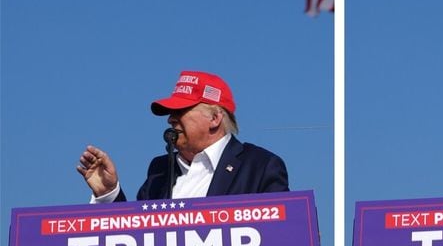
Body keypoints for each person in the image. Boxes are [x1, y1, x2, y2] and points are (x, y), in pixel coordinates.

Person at [77, 70, 289, 202]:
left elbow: (284, 234)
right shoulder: (159, 171)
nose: (171, 119)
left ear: (215, 118)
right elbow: (135, 240)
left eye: (181, 111)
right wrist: (108, 193)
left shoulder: (259, 166)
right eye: (170, 113)